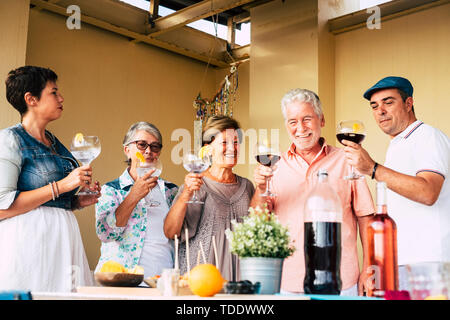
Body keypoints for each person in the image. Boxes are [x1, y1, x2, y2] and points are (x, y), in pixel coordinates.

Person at [250, 88, 375, 296]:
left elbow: (366, 218)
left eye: (307, 119)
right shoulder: (275, 166)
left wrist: (367, 269)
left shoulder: (348, 160)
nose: (300, 128)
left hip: (342, 281)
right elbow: (257, 219)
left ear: (322, 120)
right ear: (286, 125)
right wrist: (261, 188)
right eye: (292, 121)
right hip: (289, 281)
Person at [341, 76, 450, 290]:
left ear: (409, 103)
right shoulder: (397, 146)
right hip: (400, 265)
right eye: (374, 106)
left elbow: (428, 192)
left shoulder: (428, 136)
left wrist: (372, 168)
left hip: (429, 264)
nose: (380, 110)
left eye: (388, 102)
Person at [0, 66, 100, 292]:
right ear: (31, 99)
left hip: (64, 242)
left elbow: (49, 201)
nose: (61, 97)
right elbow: (1, 205)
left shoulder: (55, 143)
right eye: (53, 92)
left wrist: (74, 201)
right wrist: (63, 185)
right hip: (29, 245)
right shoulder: (10, 140)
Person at [164, 115, 255, 281]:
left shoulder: (247, 186)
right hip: (201, 279)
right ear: (208, 148)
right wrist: (186, 194)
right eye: (224, 142)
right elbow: (171, 232)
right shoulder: (196, 183)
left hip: (239, 280)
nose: (232, 148)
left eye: (235, 142)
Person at [95, 122, 179, 280]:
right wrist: (134, 195)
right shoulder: (110, 190)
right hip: (120, 281)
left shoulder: (171, 191)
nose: (148, 151)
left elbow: (180, 235)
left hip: (161, 281)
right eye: (142, 144)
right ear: (127, 150)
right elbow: (106, 233)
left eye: (155, 146)